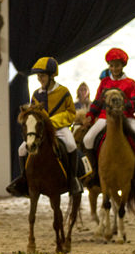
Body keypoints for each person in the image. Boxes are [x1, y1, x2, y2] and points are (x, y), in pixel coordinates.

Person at [6, 57, 83, 197]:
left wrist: (54, 121)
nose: (39, 79)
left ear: (52, 75)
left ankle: (73, 179)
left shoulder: (63, 92)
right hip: (42, 130)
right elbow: (35, 113)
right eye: (38, 76)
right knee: (22, 149)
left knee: (71, 145)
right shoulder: (36, 94)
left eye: (42, 76)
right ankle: (25, 180)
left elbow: (71, 113)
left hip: (60, 128)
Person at [82, 47, 135, 187]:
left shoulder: (130, 83)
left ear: (123, 66)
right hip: (105, 117)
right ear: (109, 66)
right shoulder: (104, 83)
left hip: (126, 117)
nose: (114, 68)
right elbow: (97, 101)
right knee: (88, 139)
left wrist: (125, 106)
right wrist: (90, 115)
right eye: (112, 65)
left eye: (117, 65)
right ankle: (94, 173)